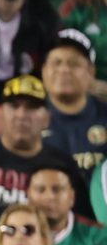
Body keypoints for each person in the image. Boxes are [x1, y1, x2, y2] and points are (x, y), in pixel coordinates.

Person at [0, 74, 81, 220]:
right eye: (14, 106)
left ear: (47, 119)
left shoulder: (63, 166)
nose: (21, 114)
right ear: (0, 115)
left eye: (31, 107)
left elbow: (79, 223)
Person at [41, 29, 106, 174]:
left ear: (91, 71)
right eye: (56, 63)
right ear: (44, 71)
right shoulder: (28, 119)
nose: (64, 70)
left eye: (74, 63)